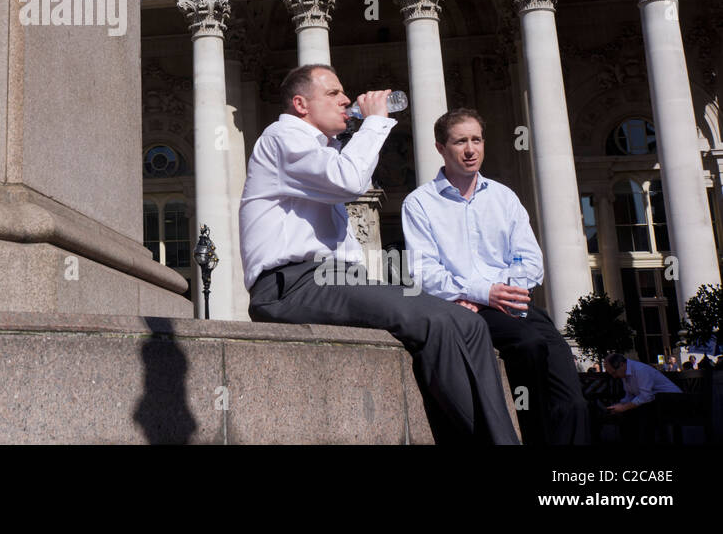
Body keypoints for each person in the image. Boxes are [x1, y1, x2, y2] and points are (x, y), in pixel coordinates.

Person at [240, 64, 519, 444]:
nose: (345, 99)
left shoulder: (322, 149)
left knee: (465, 322)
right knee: (434, 322)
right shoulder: (282, 135)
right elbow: (349, 181)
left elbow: (345, 242)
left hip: (330, 279)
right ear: (301, 104)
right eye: (333, 93)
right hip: (290, 285)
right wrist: (374, 122)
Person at [401, 109, 590, 445]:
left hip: (513, 303)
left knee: (573, 400)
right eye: (460, 141)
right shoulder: (420, 204)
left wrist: (504, 292)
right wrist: (482, 293)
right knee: (528, 347)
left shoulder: (504, 197)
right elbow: (423, 272)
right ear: (441, 148)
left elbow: (531, 260)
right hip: (466, 309)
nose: (470, 149)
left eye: (476, 140)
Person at [603, 353, 683, 443]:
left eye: (614, 372)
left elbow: (646, 397)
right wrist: (620, 405)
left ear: (622, 364)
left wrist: (623, 407)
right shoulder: (624, 373)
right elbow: (630, 395)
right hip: (656, 401)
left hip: (672, 400)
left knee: (642, 414)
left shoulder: (639, 370)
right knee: (628, 416)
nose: (614, 376)